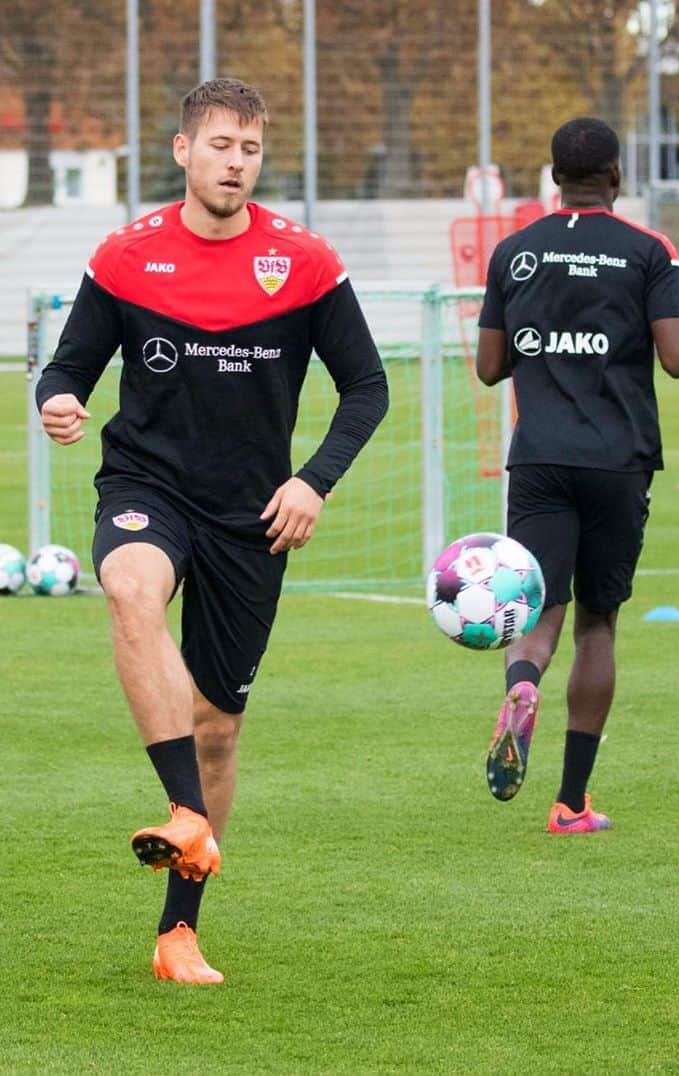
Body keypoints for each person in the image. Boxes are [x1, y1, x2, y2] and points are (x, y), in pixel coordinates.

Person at [36, 78, 388, 983]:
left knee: (220, 726)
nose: (237, 162)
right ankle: (184, 812)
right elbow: (66, 365)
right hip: (148, 485)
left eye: (252, 149)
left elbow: (367, 388)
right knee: (129, 586)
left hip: (252, 516)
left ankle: (178, 932)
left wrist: (312, 480)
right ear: (183, 152)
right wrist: (61, 399)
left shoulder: (304, 263)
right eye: (222, 144)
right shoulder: (125, 257)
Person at [475, 117, 679, 833]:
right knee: (598, 625)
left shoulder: (515, 253)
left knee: (538, 612)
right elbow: (677, 359)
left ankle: (522, 685)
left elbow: (490, 367)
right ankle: (571, 802)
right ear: (616, 176)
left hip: (538, 459)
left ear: (554, 177)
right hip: (617, 462)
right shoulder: (648, 252)